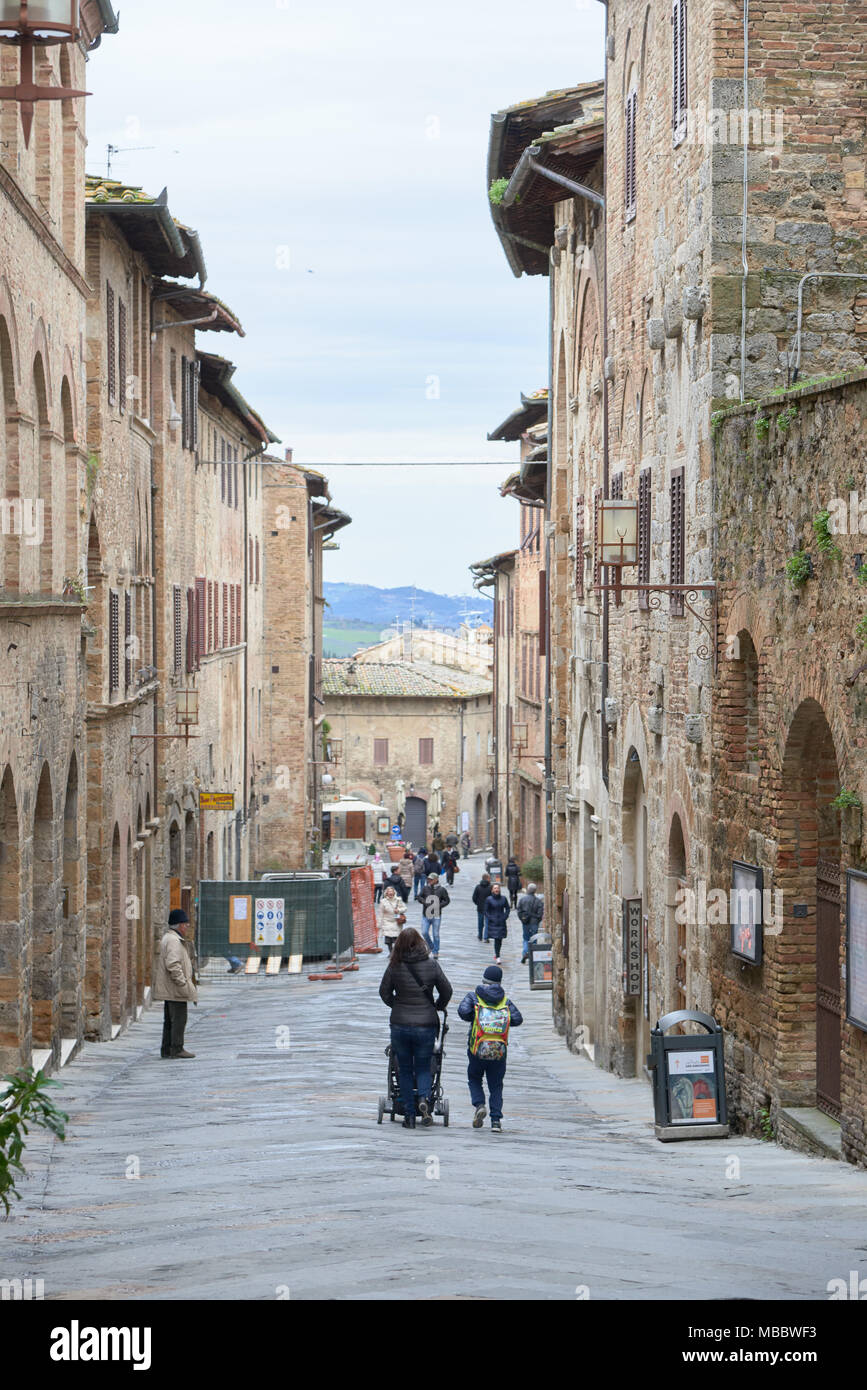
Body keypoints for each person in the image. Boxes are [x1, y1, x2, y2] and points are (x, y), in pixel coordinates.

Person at [379, 927, 453, 1128]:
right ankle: (423, 1101)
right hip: (425, 1025)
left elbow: (384, 992)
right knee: (422, 1067)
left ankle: (409, 1117)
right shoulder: (431, 965)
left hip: (400, 1025)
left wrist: (397, 1005)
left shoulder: (394, 966)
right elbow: (447, 990)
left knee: (404, 1069)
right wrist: (437, 1006)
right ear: (420, 943)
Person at [457, 964, 523, 1132]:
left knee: (474, 1078)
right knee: (496, 1085)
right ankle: (496, 1121)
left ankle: (479, 1105)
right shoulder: (505, 1001)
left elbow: (463, 1012)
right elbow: (517, 1019)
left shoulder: (474, 997)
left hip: (477, 1049)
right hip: (499, 1051)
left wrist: (475, 1015)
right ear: (499, 983)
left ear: (484, 980)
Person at [154, 908, 198, 1059]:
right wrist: (182, 983)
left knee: (169, 1021)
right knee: (179, 1019)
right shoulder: (173, 940)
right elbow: (173, 964)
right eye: (185, 924)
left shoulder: (170, 938)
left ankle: (166, 1049)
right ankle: (177, 1048)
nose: (187, 927)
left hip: (171, 989)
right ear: (179, 925)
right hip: (175, 989)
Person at [418, 873, 450, 958]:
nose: (429, 880)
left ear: (436, 879)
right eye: (428, 879)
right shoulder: (425, 888)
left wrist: (439, 905)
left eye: (431, 879)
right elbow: (419, 897)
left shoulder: (442, 889)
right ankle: (431, 946)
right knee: (424, 932)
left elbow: (447, 900)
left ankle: (436, 951)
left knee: (436, 934)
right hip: (426, 914)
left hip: (436, 915)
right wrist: (424, 902)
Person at [517, 882, 545, 964]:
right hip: (534, 923)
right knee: (534, 939)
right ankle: (533, 956)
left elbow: (519, 911)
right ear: (535, 890)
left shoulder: (522, 900)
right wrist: (537, 920)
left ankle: (525, 953)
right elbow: (540, 915)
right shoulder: (538, 901)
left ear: (528, 890)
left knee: (526, 938)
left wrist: (522, 919)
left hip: (525, 922)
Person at [483, 881, 510, 964]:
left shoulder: (503, 898)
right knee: (496, 939)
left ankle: (497, 954)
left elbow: (507, 908)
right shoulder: (489, 899)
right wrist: (490, 918)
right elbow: (486, 911)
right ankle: (497, 956)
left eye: (498, 888)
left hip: (501, 922)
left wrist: (505, 916)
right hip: (493, 922)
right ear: (492, 890)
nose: (496, 890)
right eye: (495, 888)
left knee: (499, 940)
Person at [378, 885, 406, 954]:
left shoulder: (398, 900)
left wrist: (399, 910)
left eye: (391, 891)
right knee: (388, 940)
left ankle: (395, 952)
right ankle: (391, 952)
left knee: (396, 940)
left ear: (394, 893)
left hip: (396, 922)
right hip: (387, 922)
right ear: (386, 893)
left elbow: (405, 908)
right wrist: (379, 924)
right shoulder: (383, 902)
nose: (390, 893)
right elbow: (380, 914)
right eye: (388, 892)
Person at [472, 872, 492, 941]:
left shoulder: (478, 887)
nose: (490, 879)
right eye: (489, 878)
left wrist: (478, 903)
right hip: (488, 908)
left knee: (480, 922)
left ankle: (480, 935)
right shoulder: (490, 887)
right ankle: (486, 937)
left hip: (480, 907)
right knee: (487, 923)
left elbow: (474, 898)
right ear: (487, 879)